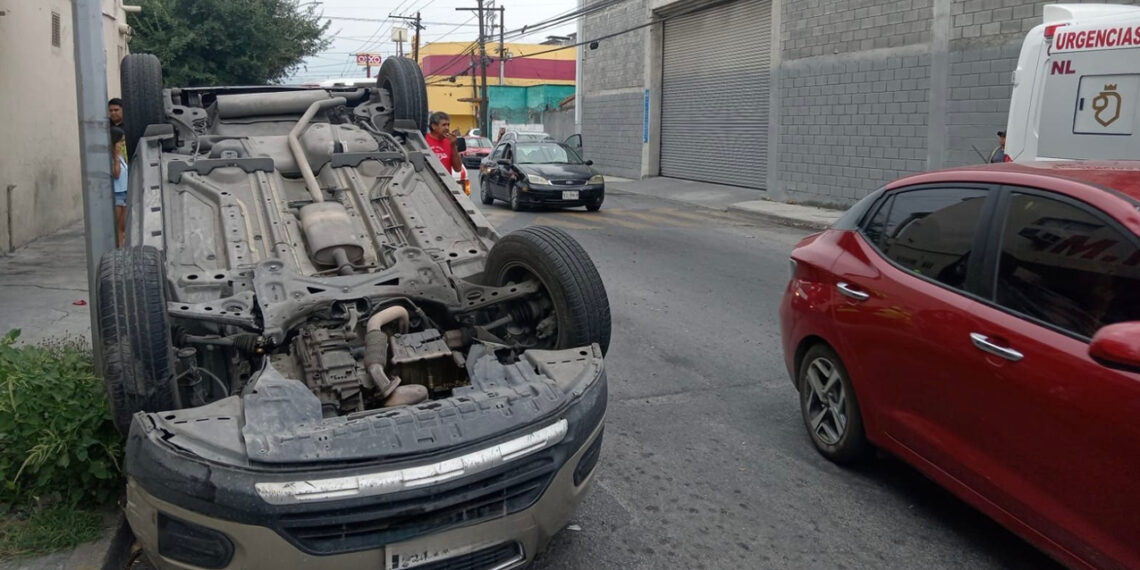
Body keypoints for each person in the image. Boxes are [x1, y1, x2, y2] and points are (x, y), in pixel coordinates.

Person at [111, 127, 128, 246]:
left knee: (123, 227)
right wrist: (116, 157)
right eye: (120, 141)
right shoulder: (113, 158)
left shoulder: (122, 157)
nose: (122, 144)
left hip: (125, 192)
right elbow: (116, 174)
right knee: (115, 227)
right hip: (116, 194)